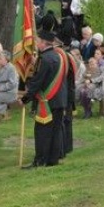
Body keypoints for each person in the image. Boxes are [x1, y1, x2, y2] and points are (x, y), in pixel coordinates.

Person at [17, 30, 67, 168]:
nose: (36, 43)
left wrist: (25, 98)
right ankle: (52, 160)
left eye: (38, 41)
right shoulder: (58, 56)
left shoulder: (44, 59)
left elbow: (37, 81)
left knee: (42, 132)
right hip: (59, 99)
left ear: (44, 43)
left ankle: (39, 161)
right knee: (55, 131)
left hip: (48, 101)